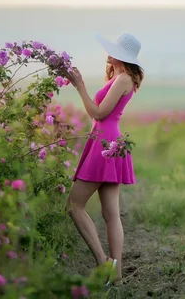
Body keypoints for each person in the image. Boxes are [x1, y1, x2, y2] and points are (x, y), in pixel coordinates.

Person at [65, 33, 144, 286]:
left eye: (112, 49)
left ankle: (104, 263)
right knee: (111, 215)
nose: (107, 52)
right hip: (107, 141)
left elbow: (99, 113)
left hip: (105, 143)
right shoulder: (121, 77)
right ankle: (117, 278)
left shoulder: (122, 79)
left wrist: (79, 86)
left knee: (74, 205)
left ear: (123, 56)